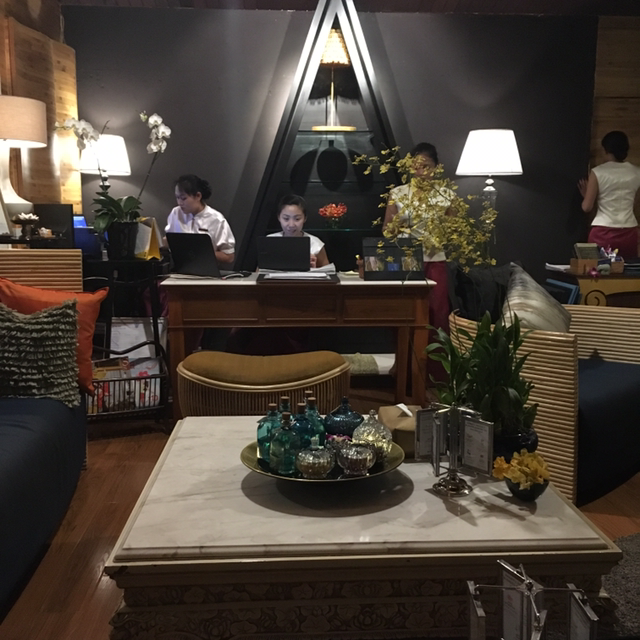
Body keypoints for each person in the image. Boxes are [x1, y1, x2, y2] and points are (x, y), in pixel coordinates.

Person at [382, 142, 454, 334]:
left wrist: (439, 230)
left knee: (437, 309)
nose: (421, 172)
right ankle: (405, 353)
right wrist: (401, 225)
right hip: (407, 259)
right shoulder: (398, 193)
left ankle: (436, 353)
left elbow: (453, 230)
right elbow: (387, 231)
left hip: (435, 258)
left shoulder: (446, 195)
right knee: (406, 309)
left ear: (436, 167)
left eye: (426, 166)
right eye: (416, 166)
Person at [578, 131, 640, 260]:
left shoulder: (597, 172)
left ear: (606, 149)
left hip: (603, 232)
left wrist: (586, 195)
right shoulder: (637, 172)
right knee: (627, 269)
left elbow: (587, 207)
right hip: (629, 231)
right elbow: (635, 203)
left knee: (598, 269)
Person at [165, 174, 235, 264]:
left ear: (198, 196)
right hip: (178, 267)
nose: (179, 203)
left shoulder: (216, 219)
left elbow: (229, 257)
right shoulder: (176, 213)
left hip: (205, 268)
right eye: (177, 198)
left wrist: (200, 252)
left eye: (183, 198)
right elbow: (168, 240)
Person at [267, 194, 329, 268]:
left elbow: (328, 272)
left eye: (297, 219)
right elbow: (259, 272)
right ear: (279, 217)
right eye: (286, 218)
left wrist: (314, 270)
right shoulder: (269, 241)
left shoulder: (315, 244)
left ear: (305, 218)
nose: (291, 225)